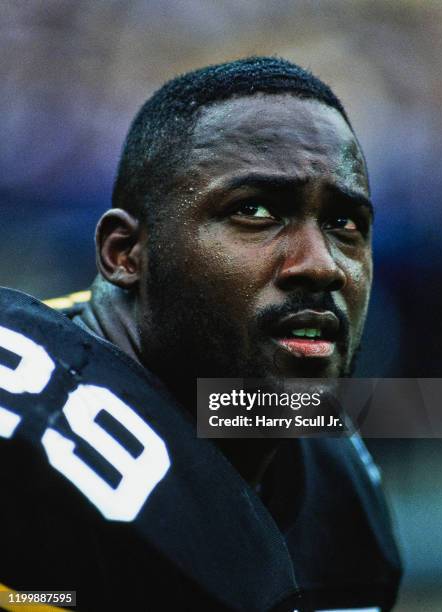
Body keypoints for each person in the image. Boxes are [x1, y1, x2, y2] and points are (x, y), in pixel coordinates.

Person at [0, 57, 401, 611]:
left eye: (344, 223)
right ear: (125, 254)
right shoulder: (23, 448)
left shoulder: (338, 486)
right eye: (255, 211)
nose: (321, 265)